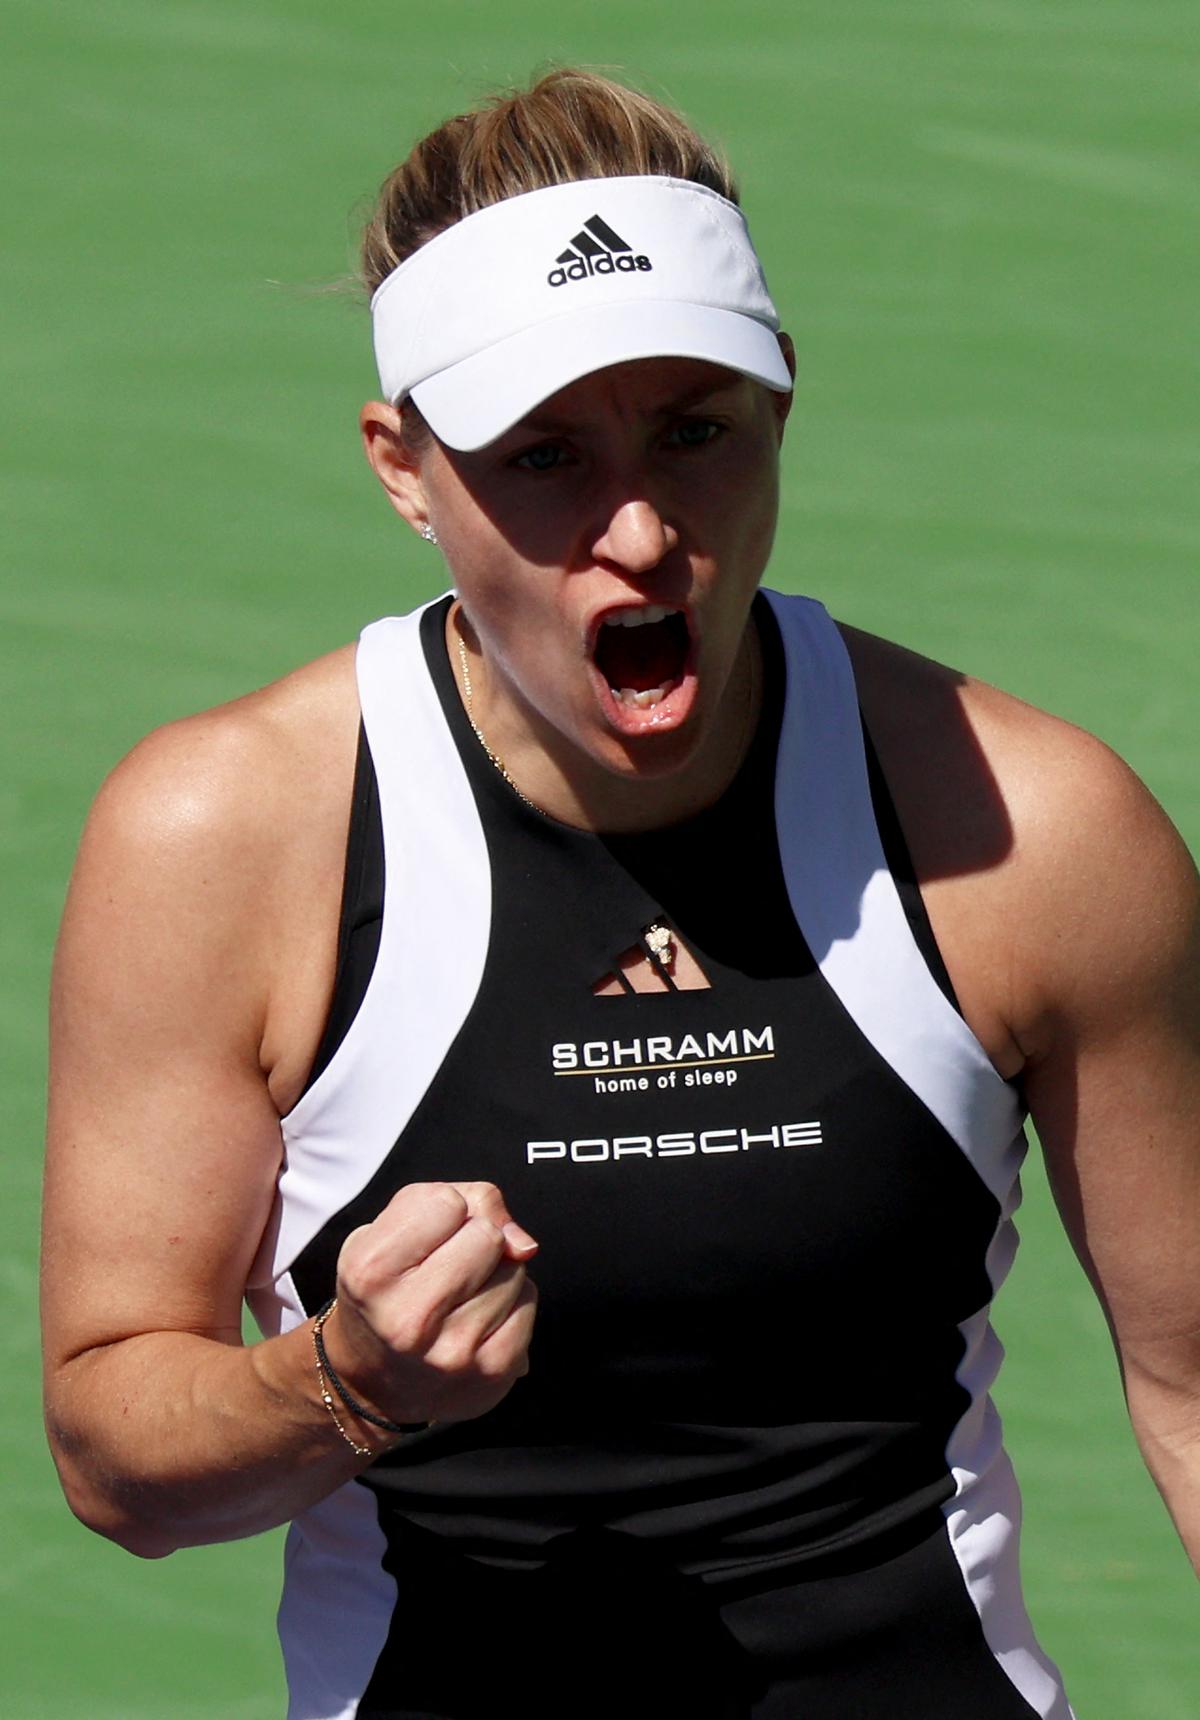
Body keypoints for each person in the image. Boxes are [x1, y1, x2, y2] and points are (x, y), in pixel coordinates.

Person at [42, 68, 1198, 1720]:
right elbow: (116, 1460)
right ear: (402, 466)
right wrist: (347, 1388)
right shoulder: (222, 838)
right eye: (546, 457)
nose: (642, 529)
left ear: (781, 407)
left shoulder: (1034, 829)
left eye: (694, 432)